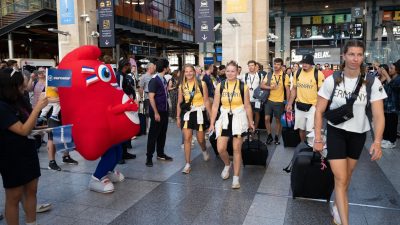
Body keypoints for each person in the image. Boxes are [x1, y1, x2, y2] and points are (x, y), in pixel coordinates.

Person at [314, 40, 386, 225]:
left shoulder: (371, 81)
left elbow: (378, 115)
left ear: (363, 57)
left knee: (347, 176)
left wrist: (377, 141)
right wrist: (318, 138)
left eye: (359, 54)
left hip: (358, 134)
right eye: (351, 54)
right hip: (336, 131)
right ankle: (343, 221)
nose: (355, 58)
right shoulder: (332, 80)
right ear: (344, 56)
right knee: (341, 177)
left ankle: (338, 205)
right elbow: (319, 110)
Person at [0, 68, 48, 225]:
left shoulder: (20, 99)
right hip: (10, 155)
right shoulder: (2, 106)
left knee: (31, 189)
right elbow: (22, 129)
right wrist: (38, 108)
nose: (24, 87)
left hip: (28, 149)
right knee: (13, 196)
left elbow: (28, 124)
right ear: (10, 86)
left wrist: (41, 129)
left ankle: (31, 223)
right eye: (20, 85)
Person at [209, 61, 255, 189]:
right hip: (224, 119)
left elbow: (247, 106)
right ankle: (227, 164)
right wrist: (212, 123)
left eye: (232, 71)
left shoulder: (243, 86)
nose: (230, 73)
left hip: (238, 118)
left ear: (237, 72)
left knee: (236, 149)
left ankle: (236, 177)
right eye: (228, 71)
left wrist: (251, 122)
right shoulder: (220, 85)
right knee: (221, 148)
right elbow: (215, 105)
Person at [177, 65, 212, 174]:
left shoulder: (202, 84)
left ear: (194, 72)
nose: (188, 73)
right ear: (184, 73)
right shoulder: (182, 86)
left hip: (199, 113)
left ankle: (204, 150)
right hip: (187, 113)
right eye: (186, 71)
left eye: (190, 71)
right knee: (187, 138)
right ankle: (187, 164)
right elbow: (179, 102)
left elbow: (206, 101)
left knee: (201, 139)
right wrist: (178, 117)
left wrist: (211, 117)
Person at [286, 54, 325, 141]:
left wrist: (320, 108)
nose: (304, 65)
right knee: (301, 128)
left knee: (312, 130)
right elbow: (294, 89)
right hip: (299, 105)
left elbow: (322, 93)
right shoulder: (297, 73)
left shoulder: (318, 74)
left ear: (312, 64)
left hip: (313, 106)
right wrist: (290, 103)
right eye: (303, 63)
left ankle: (312, 148)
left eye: (307, 63)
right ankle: (303, 145)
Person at [146, 58, 173, 167]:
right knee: (153, 134)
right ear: (165, 68)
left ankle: (160, 153)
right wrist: (156, 113)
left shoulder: (163, 79)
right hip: (157, 111)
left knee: (162, 133)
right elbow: (151, 97)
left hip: (164, 110)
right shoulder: (154, 80)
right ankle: (149, 157)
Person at [260, 58, 290, 145]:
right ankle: (269, 136)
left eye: (278, 64)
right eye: (275, 64)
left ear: (281, 66)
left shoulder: (285, 76)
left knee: (277, 120)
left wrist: (287, 103)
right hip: (269, 101)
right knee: (266, 119)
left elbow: (288, 90)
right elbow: (262, 85)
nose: (276, 66)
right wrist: (270, 87)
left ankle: (276, 136)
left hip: (279, 102)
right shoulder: (269, 75)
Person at [116, 59, 137, 163]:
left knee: (125, 130)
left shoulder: (124, 75)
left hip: (127, 105)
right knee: (121, 132)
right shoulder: (119, 75)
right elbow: (119, 90)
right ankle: (120, 155)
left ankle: (124, 152)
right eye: (129, 66)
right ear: (125, 66)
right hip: (123, 106)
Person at [381, 60, 400, 148]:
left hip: (393, 107)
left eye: (392, 68)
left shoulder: (398, 78)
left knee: (392, 125)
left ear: (397, 70)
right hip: (386, 106)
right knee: (386, 124)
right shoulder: (391, 78)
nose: (389, 70)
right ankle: (386, 139)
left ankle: (392, 141)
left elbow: (394, 86)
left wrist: (387, 76)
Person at [242, 60, 263, 128]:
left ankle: (255, 129)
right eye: (249, 66)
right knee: (248, 114)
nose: (251, 67)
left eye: (252, 65)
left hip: (257, 99)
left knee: (257, 114)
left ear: (255, 66)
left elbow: (262, 86)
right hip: (247, 99)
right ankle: (249, 129)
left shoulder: (260, 75)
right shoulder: (245, 76)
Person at [139, 62, 156, 133]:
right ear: (149, 68)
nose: (154, 69)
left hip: (155, 97)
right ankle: (147, 128)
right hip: (147, 97)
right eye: (153, 68)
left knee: (154, 112)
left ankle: (153, 127)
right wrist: (141, 97)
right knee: (148, 113)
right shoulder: (143, 77)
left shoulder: (155, 76)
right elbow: (141, 87)